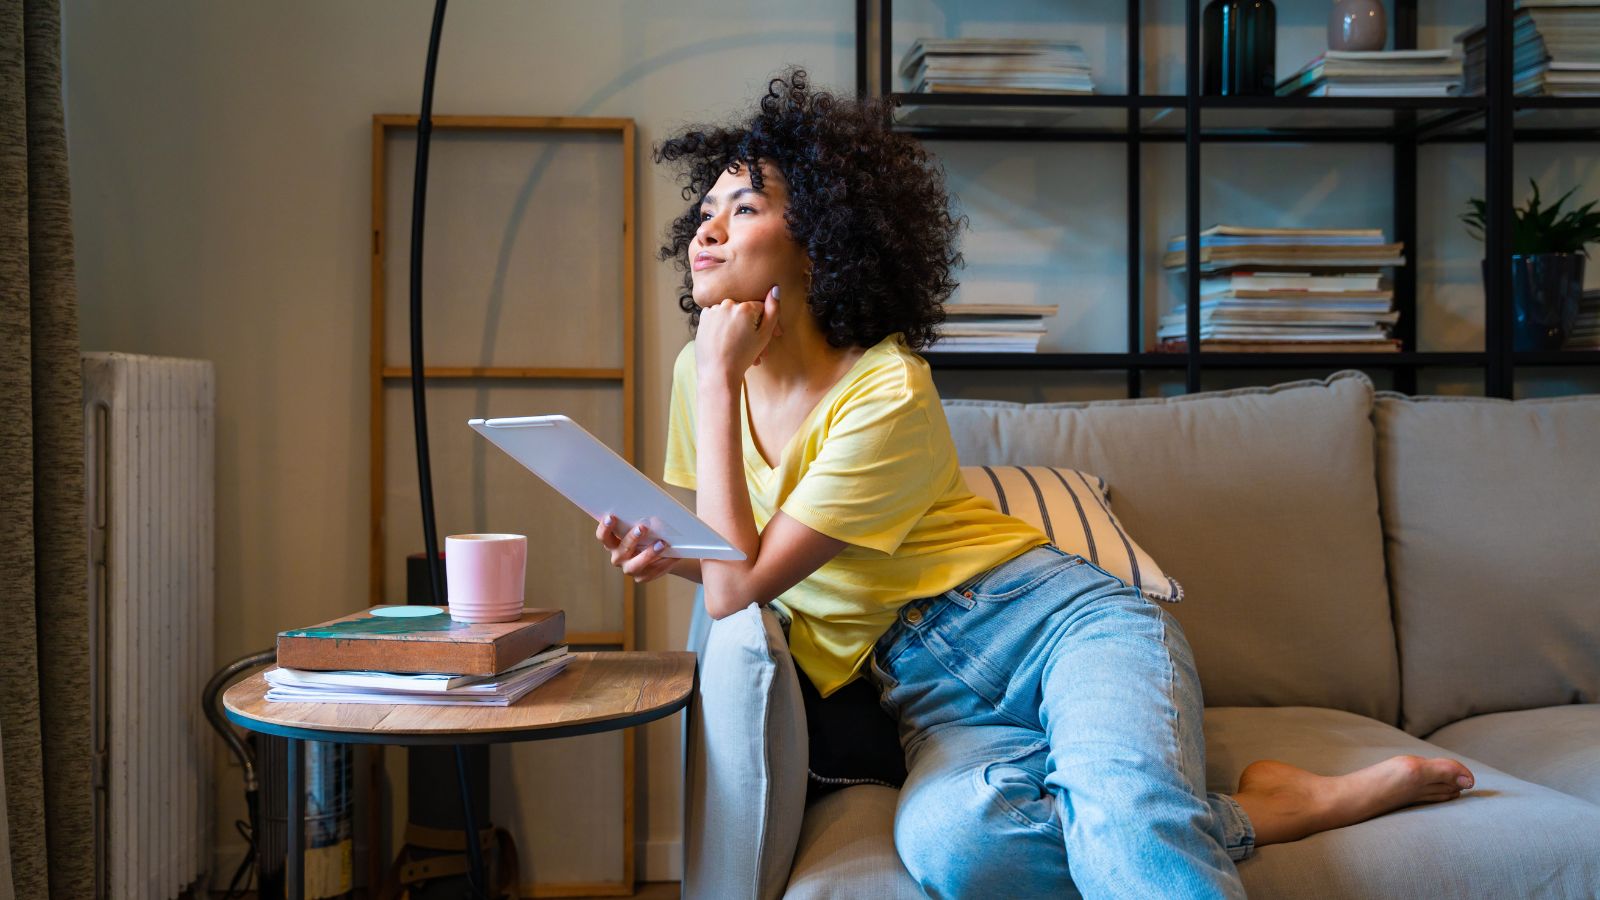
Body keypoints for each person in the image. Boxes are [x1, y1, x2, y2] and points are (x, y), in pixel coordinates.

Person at [596, 69, 1475, 898]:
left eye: (743, 207)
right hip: (931, 697)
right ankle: (1267, 809)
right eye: (705, 209)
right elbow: (734, 560)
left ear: (820, 244)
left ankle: (1210, 809)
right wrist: (662, 548)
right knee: (957, 845)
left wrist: (715, 383)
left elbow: (737, 582)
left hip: (1058, 628)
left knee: (1127, 810)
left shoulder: (884, 387)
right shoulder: (704, 371)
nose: (705, 230)